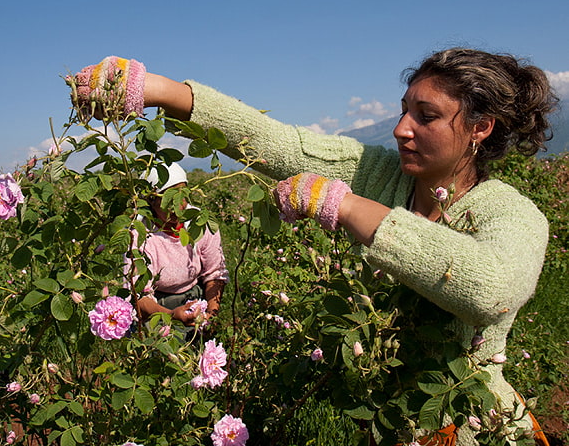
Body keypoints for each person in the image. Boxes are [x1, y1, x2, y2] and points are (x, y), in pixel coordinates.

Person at [71, 49, 557, 445]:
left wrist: (348, 208)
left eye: (425, 116)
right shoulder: (379, 172)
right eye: (404, 110)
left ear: (480, 127)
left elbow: (493, 289)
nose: (401, 128)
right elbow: (274, 142)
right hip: (390, 423)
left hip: (473, 425)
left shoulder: (509, 215)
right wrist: (154, 89)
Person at [123, 161, 229, 330]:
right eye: (168, 200)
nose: (179, 207)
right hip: (155, 306)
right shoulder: (140, 234)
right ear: (151, 202)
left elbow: (215, 273)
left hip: (193, 299)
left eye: (182, 196)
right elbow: (139, 296)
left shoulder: (200, 224)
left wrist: (211, 313)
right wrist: (171, 316)